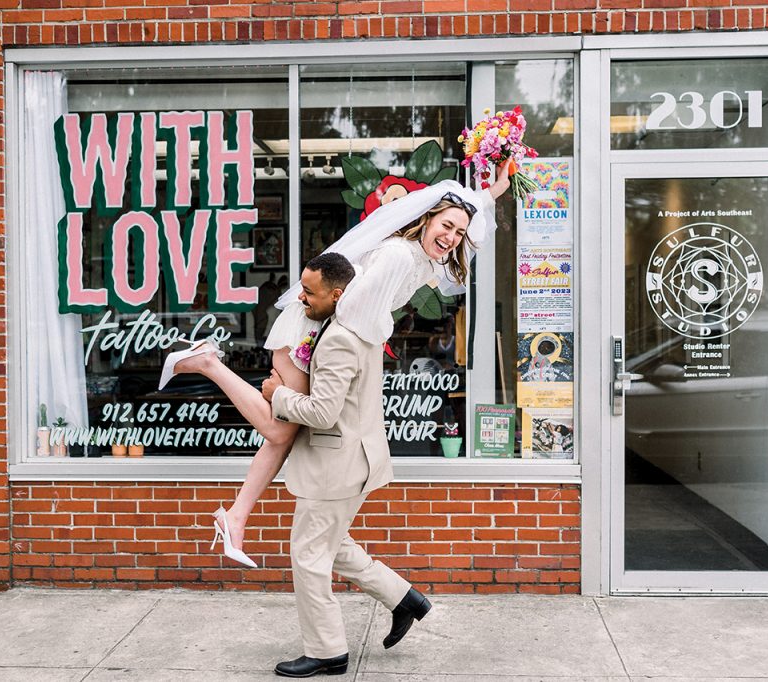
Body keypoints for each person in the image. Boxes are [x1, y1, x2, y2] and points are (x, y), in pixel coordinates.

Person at [160, 172, 511, 567]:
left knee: (281, 439)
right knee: (279, 430)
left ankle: (236, 516)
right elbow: (351, 310)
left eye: (460, 233)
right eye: (446, 225)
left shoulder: (423, 258)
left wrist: (492, 192)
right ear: (426, 218)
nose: (452, 237)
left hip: (323, 337)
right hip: (310, 333)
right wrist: (372, 345)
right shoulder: (398, 255)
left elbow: (470, 214)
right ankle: (208, 362)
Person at [260, 251, 428, 677]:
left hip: (335, 464)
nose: (301, 298)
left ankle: (327, 650)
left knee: (309, 556)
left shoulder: (338, 338)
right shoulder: (363, 326)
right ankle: (404, 597)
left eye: (309, 291)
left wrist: (275, 394)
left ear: (338, 294)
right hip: (356, 458)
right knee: (333, 545)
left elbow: (321, 412)